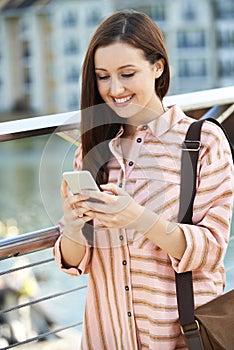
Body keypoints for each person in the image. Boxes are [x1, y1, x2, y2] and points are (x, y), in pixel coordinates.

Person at [54, 9, 234, 350]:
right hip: (107, 338)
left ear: (157, 67)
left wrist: (136, 217)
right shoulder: (93, 151)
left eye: (127, 73)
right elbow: (75, 261)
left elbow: (211, 250)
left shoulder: (203, 142)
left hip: (180, 338)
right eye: (103, 76)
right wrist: (74, 226)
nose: (114, 89)